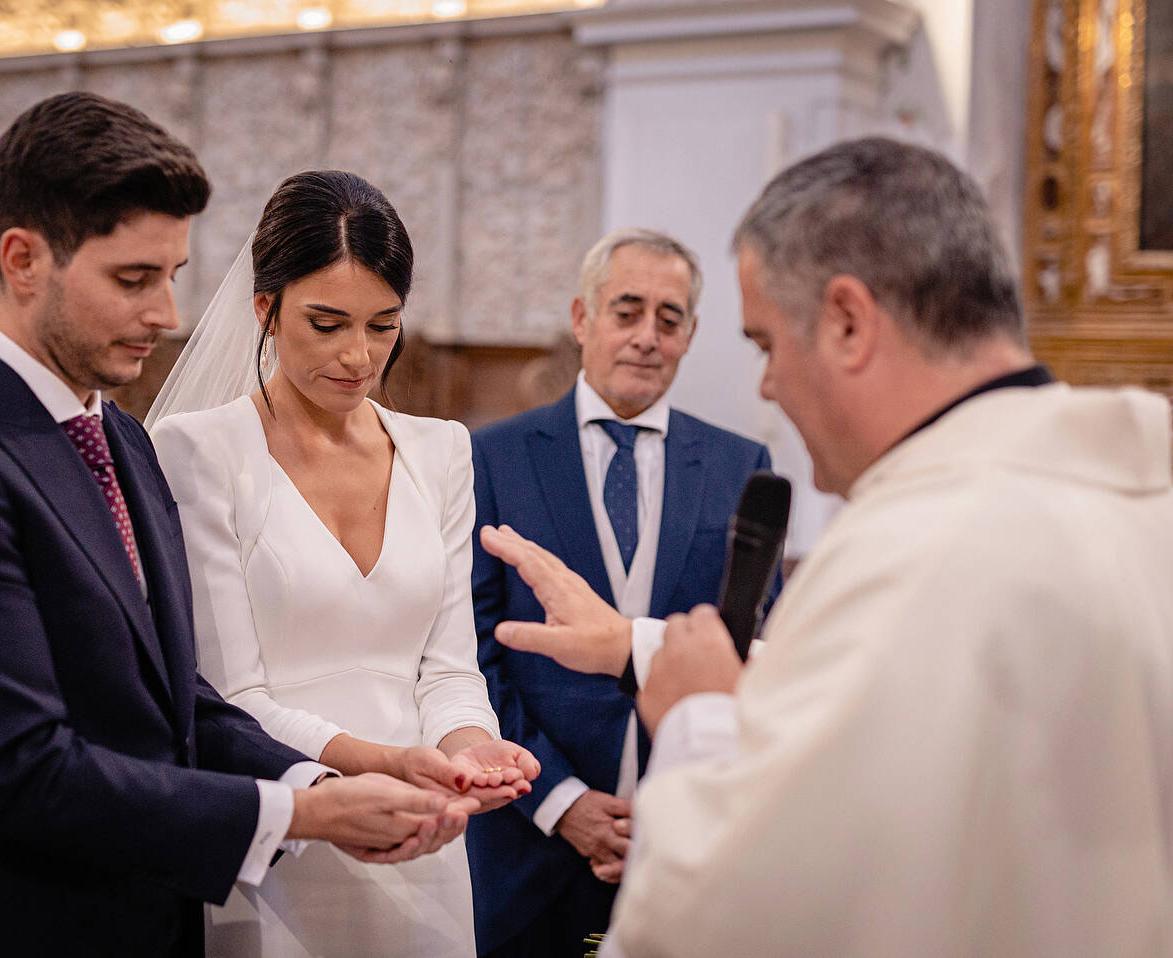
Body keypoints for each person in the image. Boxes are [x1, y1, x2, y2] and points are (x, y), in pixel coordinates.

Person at [482, 137, 1173, 956]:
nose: (767, 385)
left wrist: (700, 721)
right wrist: (639, 646)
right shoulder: (1142, 480)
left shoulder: (909, 552)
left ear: (847, 321)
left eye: (768, 343)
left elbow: (728, 905)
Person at [0, 92, 469, 958]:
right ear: (23, 259)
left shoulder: (123, 441)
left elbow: (181, 708)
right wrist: (306, 810)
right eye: (133, 279)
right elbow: (22, 773)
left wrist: (343, 773)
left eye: (172, 275)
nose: (167, 313)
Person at [148, 170, 539, 958]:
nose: (358, 356)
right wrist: (382, 766)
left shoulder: (440, 450)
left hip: (425, 827)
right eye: (326, 324)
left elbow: (449, 667)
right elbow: (229, 696)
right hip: (285, 822)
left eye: (383, 325)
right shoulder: (199, 449)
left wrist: (470, 751)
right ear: (265, 308)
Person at [466, 227, 775, 957]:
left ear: (691, 335)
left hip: (687, 837)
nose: (646, 337)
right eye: (626, 311)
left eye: (669, 320)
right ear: (582, 319)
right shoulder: (491, 455)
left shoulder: (741, 466)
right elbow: (468, 651)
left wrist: (689, 800)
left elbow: (760, 648)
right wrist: (563, 802)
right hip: (530, 840)